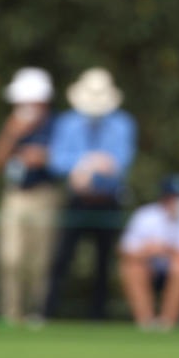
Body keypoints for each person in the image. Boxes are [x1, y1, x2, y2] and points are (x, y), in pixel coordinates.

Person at [44, 68, 137, 320]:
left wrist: (94, 164)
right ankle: (47, 313)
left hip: (108, 201)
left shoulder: (123, 124)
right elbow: (57, 161)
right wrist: (85, 163)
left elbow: (121, 161)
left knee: (104, 262)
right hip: (77, 201)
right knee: (61, 258)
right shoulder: (67, 123)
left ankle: (98, 316)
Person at [0, 67, 60, 325]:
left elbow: (64, 162)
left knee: (39, 259)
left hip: (44, 195)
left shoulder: (56, 125)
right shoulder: (13, 124)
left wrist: (44, 157)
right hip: (15, 195)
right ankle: (10, 312)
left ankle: (36, 313)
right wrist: (13, 133)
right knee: (10, 257)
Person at [118, 175, 179, 330]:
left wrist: (164, 249)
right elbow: (125, 251)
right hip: (150, 268)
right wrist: (149, 252)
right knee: (131, 268)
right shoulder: (145, 214)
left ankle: (167, 324)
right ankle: (146, 324)